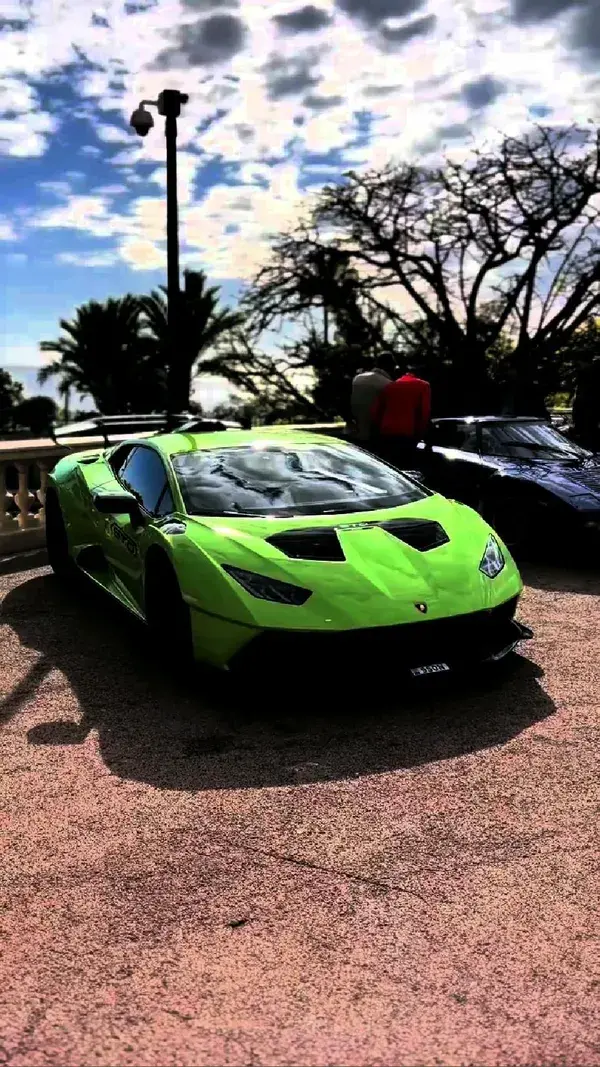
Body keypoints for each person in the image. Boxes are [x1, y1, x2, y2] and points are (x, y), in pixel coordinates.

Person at [370, 358, 432, 468]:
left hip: (386, 431)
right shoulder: (424, 386)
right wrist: (421, 434)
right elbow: (424, 413)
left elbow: (376, 412)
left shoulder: (390, 386)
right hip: (407, 433)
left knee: (390, 466)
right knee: (405, 466)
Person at [349, 353, 396, 444]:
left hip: (355, 432)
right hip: (376, 435)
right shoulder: (388, 384)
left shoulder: (357, 378)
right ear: (389, 366)